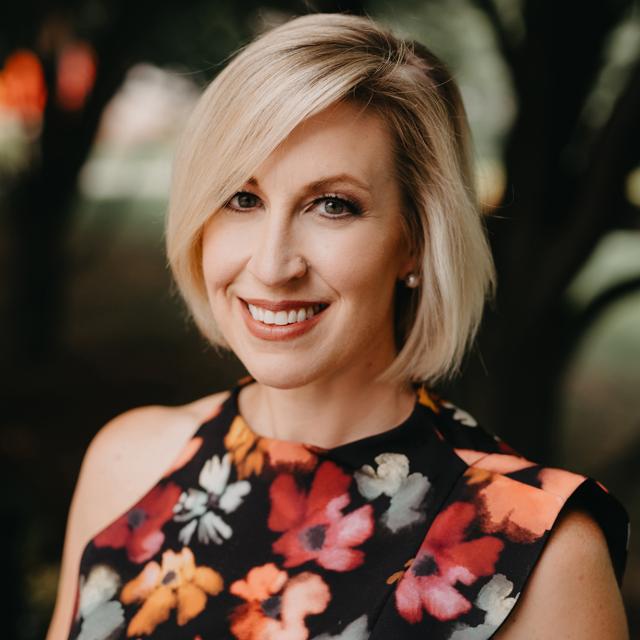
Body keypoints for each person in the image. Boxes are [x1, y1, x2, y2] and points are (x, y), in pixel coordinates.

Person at [47, 12, 630, 640]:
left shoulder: (536, 548)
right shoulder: (129, 463)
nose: (272, 266)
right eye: (242, 198)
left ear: (414, 241)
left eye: (333, 205)